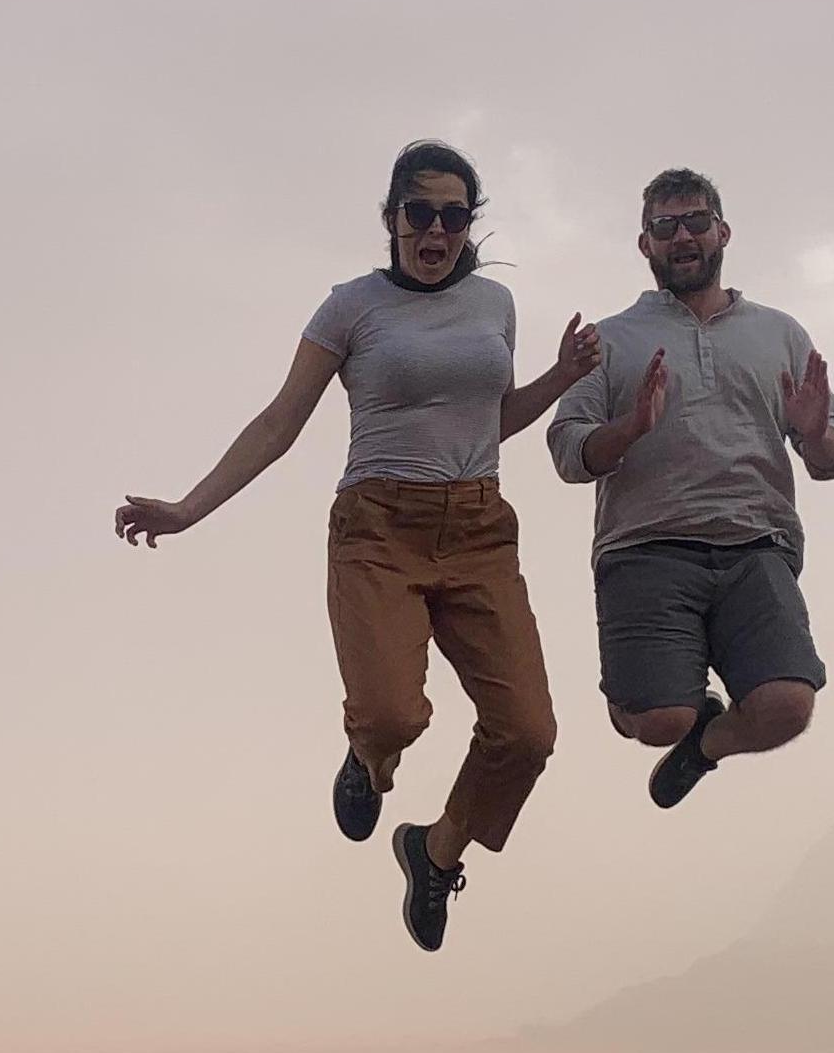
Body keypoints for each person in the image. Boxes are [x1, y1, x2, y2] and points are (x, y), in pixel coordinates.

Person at [116, 143, 596, 950]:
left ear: (467, 224)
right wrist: (188, 509)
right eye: (421, 212)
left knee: (528, 732)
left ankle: (435, 853)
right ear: (392, 219)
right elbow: (279, 422)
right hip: (378, 529)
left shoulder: (495, 305)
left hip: (478, 529)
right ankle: (368, 762)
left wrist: (557, 378)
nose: (436, 230)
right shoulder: (350, 308)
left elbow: (489, 423)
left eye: (453, 214)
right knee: (389, 714)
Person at [545, 168, 834, 808]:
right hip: (645, 547)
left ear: (722, 232)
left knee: (788, 707)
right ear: (645, 245)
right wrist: (628, 429)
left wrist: (816, 436)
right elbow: (569, 452)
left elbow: (832, 456)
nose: (682, 236)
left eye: (695, 222)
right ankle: (655, 701)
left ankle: (705, 746)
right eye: (665, 226)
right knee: (660, 719)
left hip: (757, 544)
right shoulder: (611, 340)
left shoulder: (781, 333)